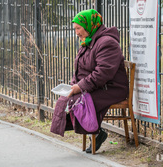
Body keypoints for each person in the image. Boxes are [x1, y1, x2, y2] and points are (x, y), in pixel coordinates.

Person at [50, 9, 129, 153]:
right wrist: (73, 85)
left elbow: (102, 73)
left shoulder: (107, 43)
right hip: (99, 86)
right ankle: (97, 131)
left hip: (112, 89)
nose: (77, 33)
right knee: (65, 100)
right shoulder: (89, 41)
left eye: (78, 28)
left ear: (89, 25)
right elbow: (81, 69)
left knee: (79, 101)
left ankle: (96, 131)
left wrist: (79, 87)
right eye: (75, 29)